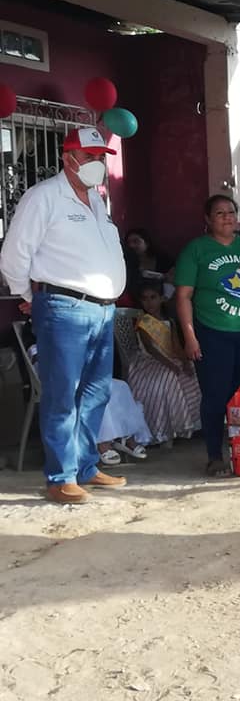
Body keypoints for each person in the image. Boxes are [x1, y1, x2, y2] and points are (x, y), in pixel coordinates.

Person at [0, 126, 127, 503]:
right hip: (64, 308)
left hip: (102, 310)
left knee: (96, 392)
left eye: (101, 157)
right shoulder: (43, 197)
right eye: (89, 157)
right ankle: (60, 477)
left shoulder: (97, 201)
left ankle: (85, 466)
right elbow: (14, 256)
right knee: (62, 394)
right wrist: (32, 296)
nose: (97, 163)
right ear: (67, 158)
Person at [174, 194, 240, 477]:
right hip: (212, 333)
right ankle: (214, 456)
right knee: (215, 395)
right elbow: (183, 296)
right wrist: (190, 337)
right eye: (220, 213)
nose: (227, 217)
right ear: (208, 219)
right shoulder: (196, 249)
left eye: (231, 212)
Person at [21, 317, 149, 467]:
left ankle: (127, 438)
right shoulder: (36, 348)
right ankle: (102, 444)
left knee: (120, 386)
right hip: (60, 386)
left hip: (81, 379)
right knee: (97, 391)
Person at [128, 283, 202, 445]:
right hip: (149, 361)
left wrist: (185, 362)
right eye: (145, 299)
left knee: (192, 371)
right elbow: (150, 349)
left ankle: (191, 424)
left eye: (153, 297)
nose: (149, 302)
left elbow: (176, 346)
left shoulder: (170, 321)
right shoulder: (144, 322)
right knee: (169, 377)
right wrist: (171, 365)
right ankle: (164, 430)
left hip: (170, 358)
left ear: (162, 299)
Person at [124, 227, 175, 300]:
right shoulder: (127, 263)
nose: (131, 245)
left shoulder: (163, 259)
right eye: (128, 243)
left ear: (147, 243)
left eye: (136, 241)